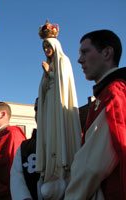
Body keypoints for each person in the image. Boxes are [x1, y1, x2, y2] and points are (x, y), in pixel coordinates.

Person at [64, 30, 126, 200]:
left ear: (106, 52)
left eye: (85, 52)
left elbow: (92, 166)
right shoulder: (106, 93)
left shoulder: (114, 93)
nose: (79, 60)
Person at [36, 21, 81, 199]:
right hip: (49, 108)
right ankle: (50, 171)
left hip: (59, 106)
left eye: (48, 46)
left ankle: (62, 169)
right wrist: (47, 76)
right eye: (44, 46)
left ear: (55, 45)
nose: (46, 49)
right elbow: (45, 88)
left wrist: (50, 73)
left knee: (58, 134)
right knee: (50, 137)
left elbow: (64, 84)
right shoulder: (48, 66)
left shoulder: (63, 61)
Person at [10, 98, 40, 200]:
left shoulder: (70, 139)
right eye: (36, 109)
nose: (39, 113)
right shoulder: (25, 147)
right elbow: (17, 177)